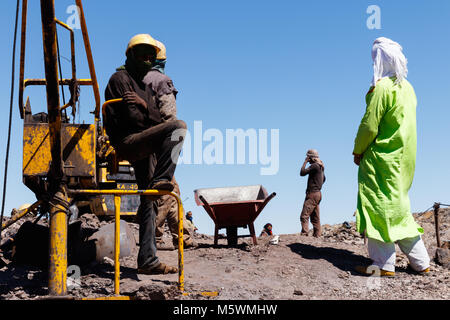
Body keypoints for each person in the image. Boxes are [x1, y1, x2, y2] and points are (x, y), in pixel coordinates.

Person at [104, 34, 187, 275]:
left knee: (149, 199)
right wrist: (143, 109)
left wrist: (142, 104)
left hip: (143, 142)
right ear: (130, 55)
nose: (148, 59)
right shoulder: (120, 79)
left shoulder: (144, 86)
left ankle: (148, 259)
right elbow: (134, 119)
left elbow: (152, 118)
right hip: (128, 141)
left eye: (151, 55)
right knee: (178, 127)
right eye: (143, 54)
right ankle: (163, 178)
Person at [353, 37, 430, 277]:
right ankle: (421, 263)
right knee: (399, 208)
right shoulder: (408, 88)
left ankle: (383, 265)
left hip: (381, 159)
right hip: (405, 160)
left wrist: (358, 150)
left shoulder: (381, 88)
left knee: (377, 206)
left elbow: (369, 126)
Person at [141, 39, 196, 250]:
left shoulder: (131, 78)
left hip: (139, 144)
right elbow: (169, 118)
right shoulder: (161, 81)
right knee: (164, 191)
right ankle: (153, 239)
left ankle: (182, 238)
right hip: (157, 146)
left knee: (174, 190)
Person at [299, 149, 326, 237]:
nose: (307, 158)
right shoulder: (321, 166)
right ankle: (317, 235)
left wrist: (305, 162)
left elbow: (302, 173)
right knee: (315, 217)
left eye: (308, 157)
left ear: (310, 157)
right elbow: (324, 179)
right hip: (318, 194)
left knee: (304, 215)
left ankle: (304, 234)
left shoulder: (314, 166)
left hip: (312, 194)